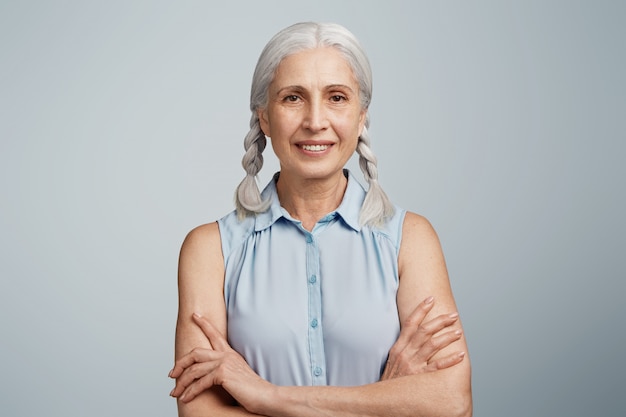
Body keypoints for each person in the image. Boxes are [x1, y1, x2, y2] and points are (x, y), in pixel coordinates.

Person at [169, 22, 472, 417]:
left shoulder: (411, 239)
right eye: (293, 98)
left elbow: (451, 404)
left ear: (361, 116)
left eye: (337, 98)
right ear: (264, 117)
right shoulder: (209, 251)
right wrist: (386, 399)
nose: (315, 120)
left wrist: (267, 397)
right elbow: (200, 416)